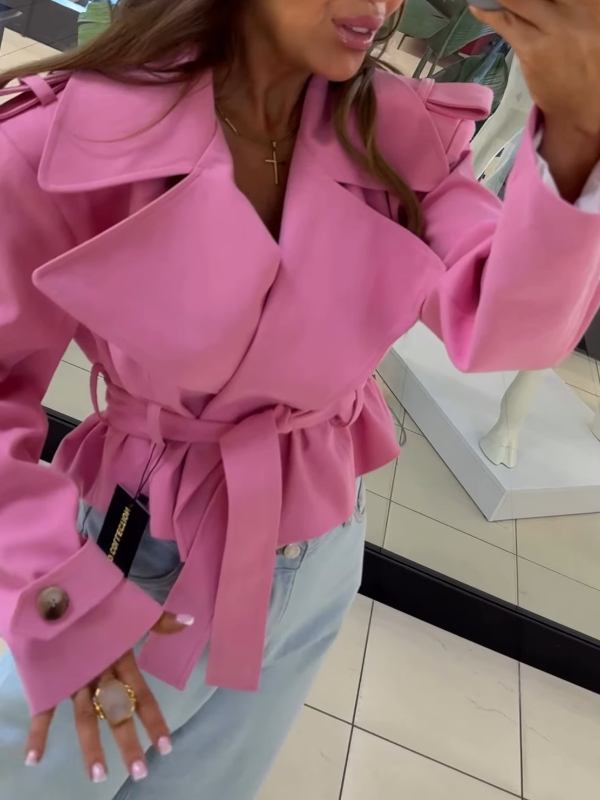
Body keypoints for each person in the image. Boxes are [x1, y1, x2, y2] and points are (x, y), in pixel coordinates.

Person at [0, 0, 599, 797]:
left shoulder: (401, 136)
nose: (380, 5)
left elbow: (506, 329)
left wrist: (579, 126)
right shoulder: (68, 135)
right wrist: (50, 601)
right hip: (135, 556)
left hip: (317, 551)